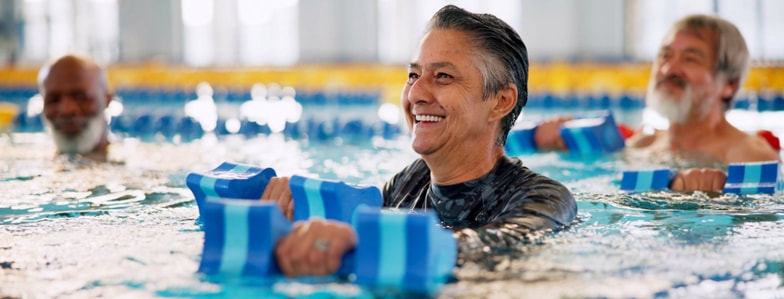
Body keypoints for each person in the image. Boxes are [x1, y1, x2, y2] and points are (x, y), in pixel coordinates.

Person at [259, 5, 577, 278]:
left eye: (443, 77)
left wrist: (363, 242)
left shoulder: (544, 199)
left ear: (501, 101)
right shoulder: (407, 185)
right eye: (413, 75)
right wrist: (299, 207)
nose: (415, 94)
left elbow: (495, 249)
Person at [533, 14, 780, 192]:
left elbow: (761, 220)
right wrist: (560, 144)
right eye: (665, 55)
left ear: (729, 84)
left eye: (690, 59)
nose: (668, 69)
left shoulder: (750, 156)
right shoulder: (641, 144)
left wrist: (714, 202)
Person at [38, 54, 113, 161]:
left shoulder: (131, 161)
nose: (66, 110)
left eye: (81, 97)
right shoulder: (30, 159)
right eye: (53, 100)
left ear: (107, 100)